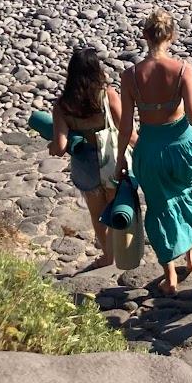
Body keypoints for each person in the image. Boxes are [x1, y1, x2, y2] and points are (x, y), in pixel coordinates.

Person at [116, 10, 192, 294]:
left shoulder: (130, 76)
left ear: (145, 36)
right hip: (182, 149)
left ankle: (169, 274)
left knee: (159, 207)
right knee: (190, 194)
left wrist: (120, 164)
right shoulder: (183, 70)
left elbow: (126, 127)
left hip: (149, 152)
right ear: (171, 36)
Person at [50, 47, 124, 265]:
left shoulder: (63, 105)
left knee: (97, 214)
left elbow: (61, 145)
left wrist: (52, 146)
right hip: (110, 159)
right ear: (96, 70)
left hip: (85, 165)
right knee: (116, 209)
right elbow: (126, 131)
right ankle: (124, 252)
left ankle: (108, 255)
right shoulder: (107, 96)